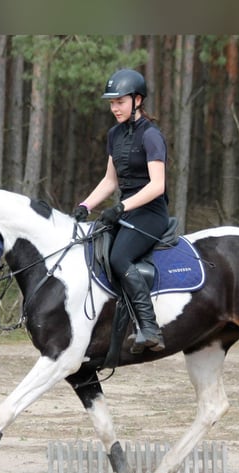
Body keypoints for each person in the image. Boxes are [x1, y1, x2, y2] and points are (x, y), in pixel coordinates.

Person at [72, 68, 169, 354]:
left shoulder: (152, 136)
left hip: (151, 213)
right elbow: (110, 180)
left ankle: (150, 328)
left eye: (120, 102)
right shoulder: (115, 134)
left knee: (118, 256)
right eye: (111, 103)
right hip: (125, 212)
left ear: (137, 100)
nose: (114, 108)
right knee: (92, 250)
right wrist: (85, 205)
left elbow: (158, 186)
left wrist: (121, 206)